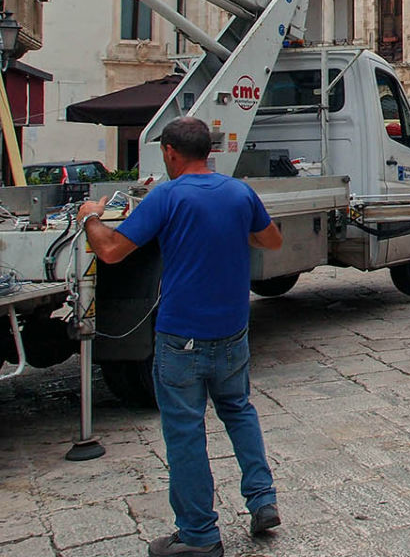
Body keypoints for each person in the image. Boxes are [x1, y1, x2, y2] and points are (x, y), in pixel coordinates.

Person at [77, 117, 284, 557]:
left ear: (170, 152)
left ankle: (199, 536)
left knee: (186, 433)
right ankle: (262, 500)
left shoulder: (166, 196)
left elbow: (111, 251)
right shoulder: (238, 192)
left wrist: (91, 218)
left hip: (181, 338)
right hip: (233, 334)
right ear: (208, 150)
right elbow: (271, 241)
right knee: (239, 410)